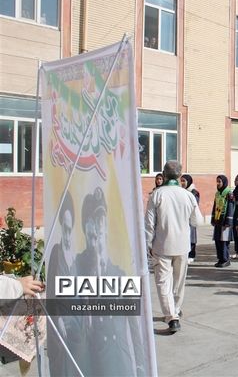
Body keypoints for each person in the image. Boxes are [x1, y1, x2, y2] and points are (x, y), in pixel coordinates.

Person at [78, 187, 147, 374]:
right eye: (93, 222)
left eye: (102, 221)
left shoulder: (121, 274)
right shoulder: (78, 269)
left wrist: (140, 364)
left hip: (120, 360)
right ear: (86, 228)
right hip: (92, 361)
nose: (99, 227)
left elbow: (134, 325)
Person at [146, 161, 202, 333]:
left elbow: (149, 224)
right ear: (179, 175)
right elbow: (197, 221)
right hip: (182, 245)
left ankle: (172, 316)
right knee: (178, 282)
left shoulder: (157, 195)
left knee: (163, 282)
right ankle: (175, 309)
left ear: (163, 174)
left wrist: (147, 243)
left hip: (162, 246)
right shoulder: (188, 195)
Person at [46, 191, 78, 377]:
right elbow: (51, 293)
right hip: (60, 325)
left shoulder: (74, 254)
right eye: (64, 229)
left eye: (69, 228)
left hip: (74, 324)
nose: (67, 234)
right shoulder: (56, 253)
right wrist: (59, 321)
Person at [211, 175, 234, 267]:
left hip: (225, 221)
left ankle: (226, 259)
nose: (218, 183)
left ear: (224, 182)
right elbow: (214, 206)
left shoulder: (229, 193)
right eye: (217, 181)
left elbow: (230, 207)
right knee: (218, 240)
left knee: (224, 241)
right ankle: (220, 259)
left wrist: (228, 221)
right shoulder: (217, 193)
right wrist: (213, 218)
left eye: (219, 181)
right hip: (218, 219)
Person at [180, 174, 200, 264]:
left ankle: (192, 255)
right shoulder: (181, 191)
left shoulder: (194, 192)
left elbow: (194, 204)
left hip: (191, 217)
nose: (182, 183)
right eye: (181, 181)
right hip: (183, 217)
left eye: (184, 181)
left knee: (191, 237)